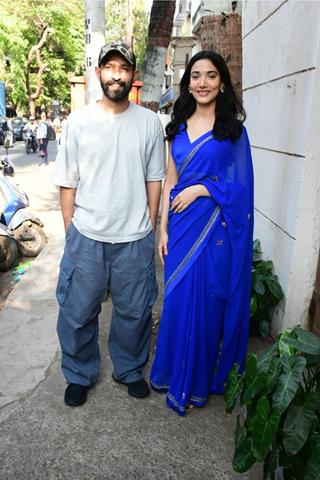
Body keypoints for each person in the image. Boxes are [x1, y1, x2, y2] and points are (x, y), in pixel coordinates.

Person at [53, 41, 166, 407]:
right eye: (109, 66)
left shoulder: (150, 123)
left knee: (134, 312)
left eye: (123, 67)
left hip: (134, 238)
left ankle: (130, 368)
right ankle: (79, 373)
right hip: (87, 235)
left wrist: (150, 224)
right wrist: (71, 231)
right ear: (99, 72)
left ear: (132, 76)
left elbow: (154, 178)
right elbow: (67, 182)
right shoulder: (78, 122)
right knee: (77, 312)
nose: (116, 74)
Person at [150, 50, 254, 416]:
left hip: (216, 232)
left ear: (221, 82)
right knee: (178, 303)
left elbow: (242, 189)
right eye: (196, 76)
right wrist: (162, 230)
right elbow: (169, 181)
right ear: (187, 82)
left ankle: (197, 383)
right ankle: (174, 375)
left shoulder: (233, 134)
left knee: (209, 305)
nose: (203, 83)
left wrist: (205, 189)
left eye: (211, 76)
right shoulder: (177, 127)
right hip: (178, 230)